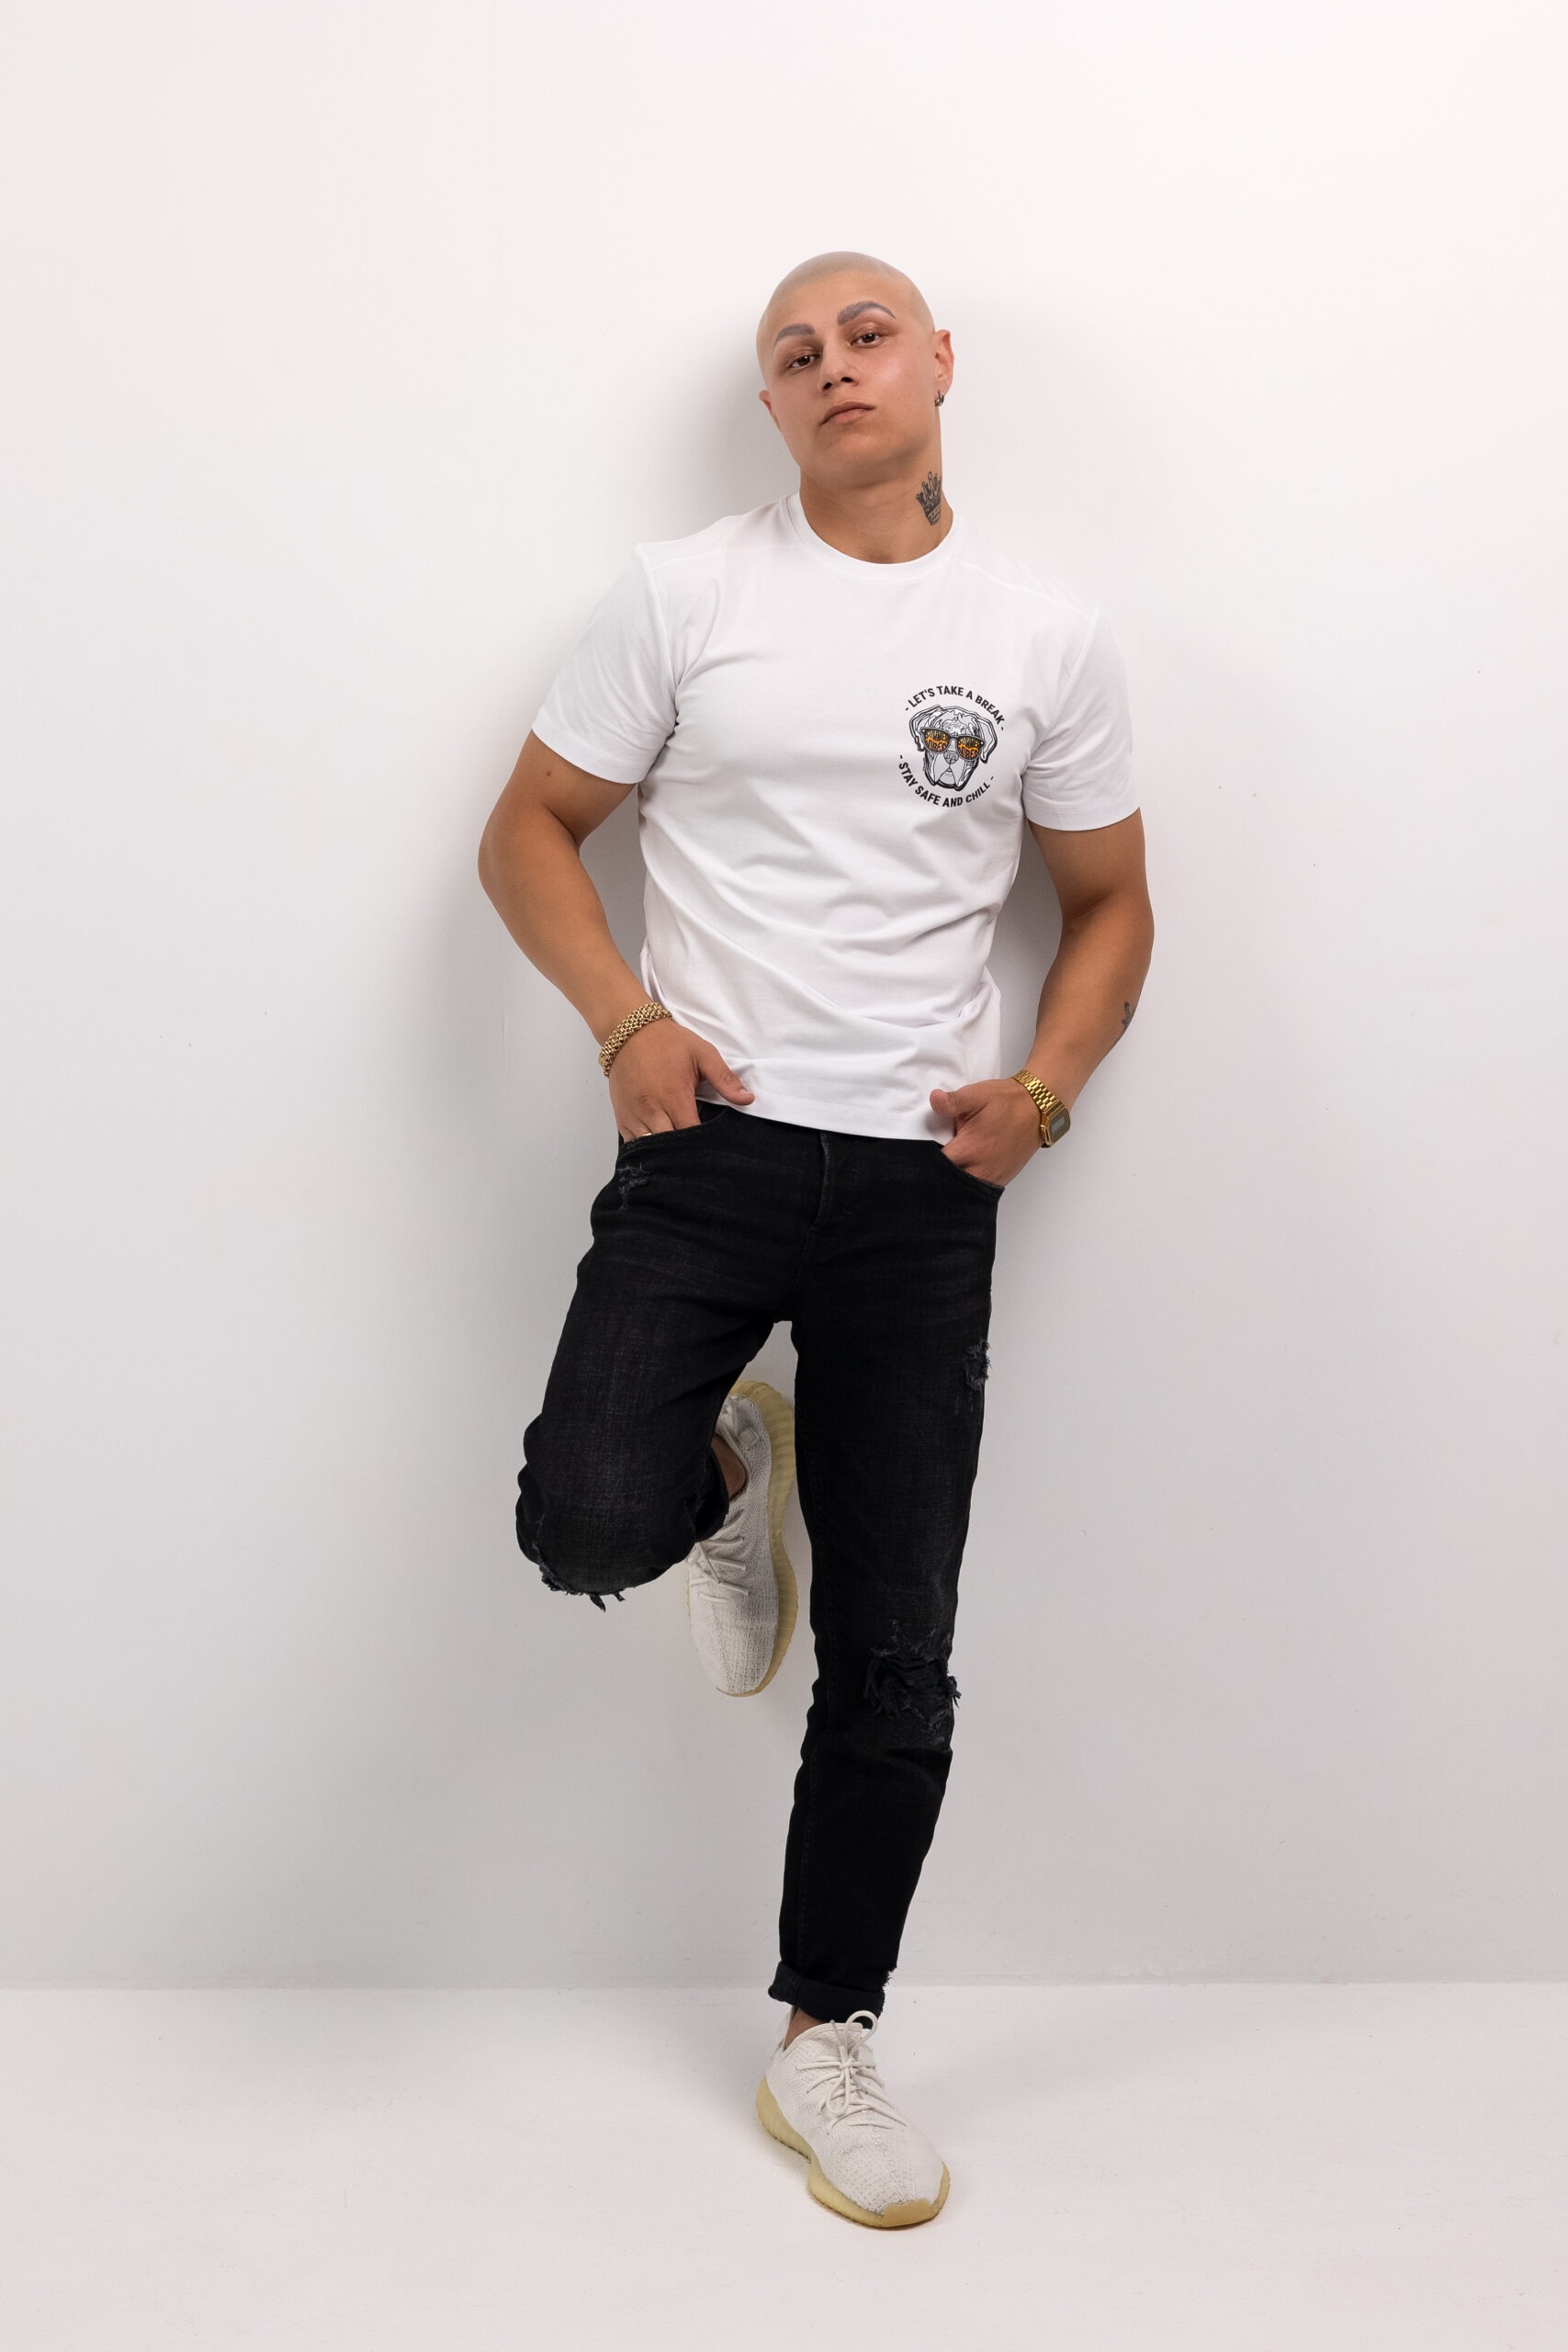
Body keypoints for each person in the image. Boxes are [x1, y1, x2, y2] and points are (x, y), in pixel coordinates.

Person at [477, 249, 1155, 2229]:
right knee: (582, 1520)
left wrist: (1042, 1096)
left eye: (866, 335)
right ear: (770, 406)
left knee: (895, 1644)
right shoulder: (686, 594)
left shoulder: (1043, 635)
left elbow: (1111, 900)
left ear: (937, 363)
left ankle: (824, 2033)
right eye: (796, 352)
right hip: (711, 1145)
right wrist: (626, 1023)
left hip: (925, 1189)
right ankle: (716, 1475)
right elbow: (529, 826)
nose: (834, 365)